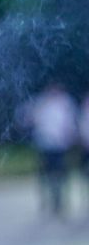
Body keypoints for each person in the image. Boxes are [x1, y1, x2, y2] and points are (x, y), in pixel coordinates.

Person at [28, 84, 78, 217]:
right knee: (45, 175)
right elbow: (32, 119)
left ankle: (60, 201)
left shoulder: (65, 103)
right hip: (45, 145)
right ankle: (47, 201)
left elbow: (70, 123)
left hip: (60, 146)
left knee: (60, 174)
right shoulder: (41, 103)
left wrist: (70, 136)